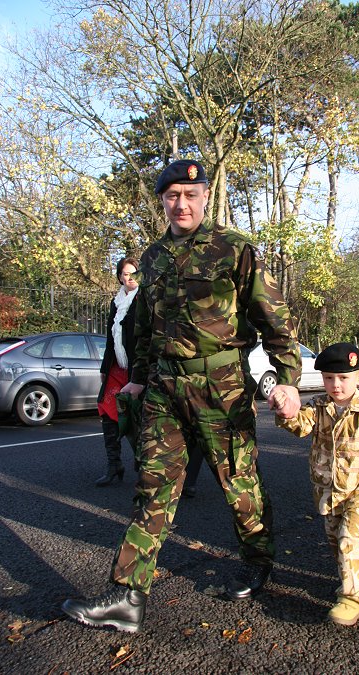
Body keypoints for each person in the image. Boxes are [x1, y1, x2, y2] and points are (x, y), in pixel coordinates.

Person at [61, 158, 302, 633]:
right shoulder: (151, 258)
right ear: (163, 201)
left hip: (222, 387)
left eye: (191, 195)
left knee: (238, 481)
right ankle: (128, 596)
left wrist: (287, 376)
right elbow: (147, 329)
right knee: (152, 486)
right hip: (164, 389)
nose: (181, 203)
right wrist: (138, 377)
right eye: (172, 195)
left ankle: (258, 561)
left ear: (205, 196)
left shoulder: (234, 250)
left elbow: (274, 317)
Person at [274, 342, 359, 626]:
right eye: (328, 378)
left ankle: (354, 599)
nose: (336, 385)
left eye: (344, 378)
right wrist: (286, 411)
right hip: (328, 491)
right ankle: (355, 582)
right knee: (338, 542)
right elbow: (301, 426)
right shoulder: (319, 407)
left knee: (350, 537)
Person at [95, 257, 139, 487]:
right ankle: (114, 465)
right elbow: (111, 339)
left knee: (136, 416)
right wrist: (105, 368)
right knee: (106, 410)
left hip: (136, 369)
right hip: (116, 368)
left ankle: (144, 466)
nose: (128, 278)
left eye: (133, 274)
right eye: (124, 274)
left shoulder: (143, 299)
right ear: (119, 276)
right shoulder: (116, 302)